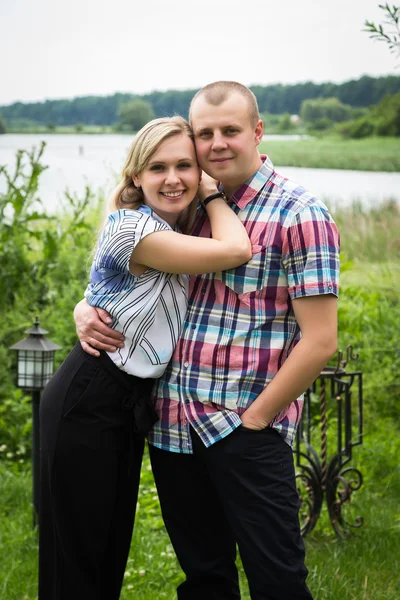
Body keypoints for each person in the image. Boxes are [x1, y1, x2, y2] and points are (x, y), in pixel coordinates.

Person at [74, 81, 340, 600]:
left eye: (231, 131)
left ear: (257, 132)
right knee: (204, 579)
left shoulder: (299, 213)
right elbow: (123, 274)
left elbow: (320, 340)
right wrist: (85, 308)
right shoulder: (188, 205)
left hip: (245, 427)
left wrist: (258, 419)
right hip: (173, 426)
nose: (217, 143)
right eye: (205, 133)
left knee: (278, 581)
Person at [39, 115, 252, 600]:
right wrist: (215, 191)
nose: (173, 178)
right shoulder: (137, 228)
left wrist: (83, 305)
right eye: (158, 167)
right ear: (135, 175)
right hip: (89, 397)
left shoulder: (172, 226)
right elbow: (237, 248)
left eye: (184, 165)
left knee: (108, 546)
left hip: (127, 400)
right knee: (78, 553)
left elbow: (112, 294)